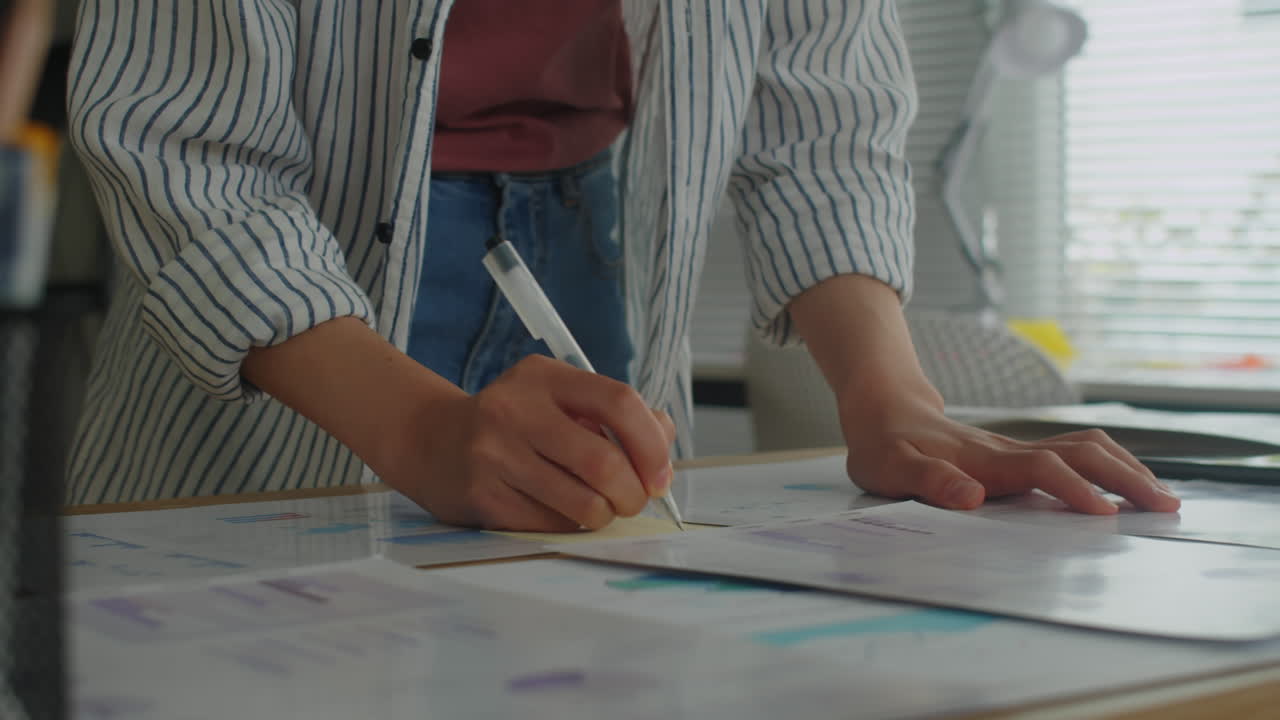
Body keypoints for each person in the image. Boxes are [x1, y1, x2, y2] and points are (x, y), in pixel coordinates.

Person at [64, 0, 1179, 530]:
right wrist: (417, 429)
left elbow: (822, 124)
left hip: (587, 238)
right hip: (306, 305)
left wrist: (894, 401)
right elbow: (186, 145)